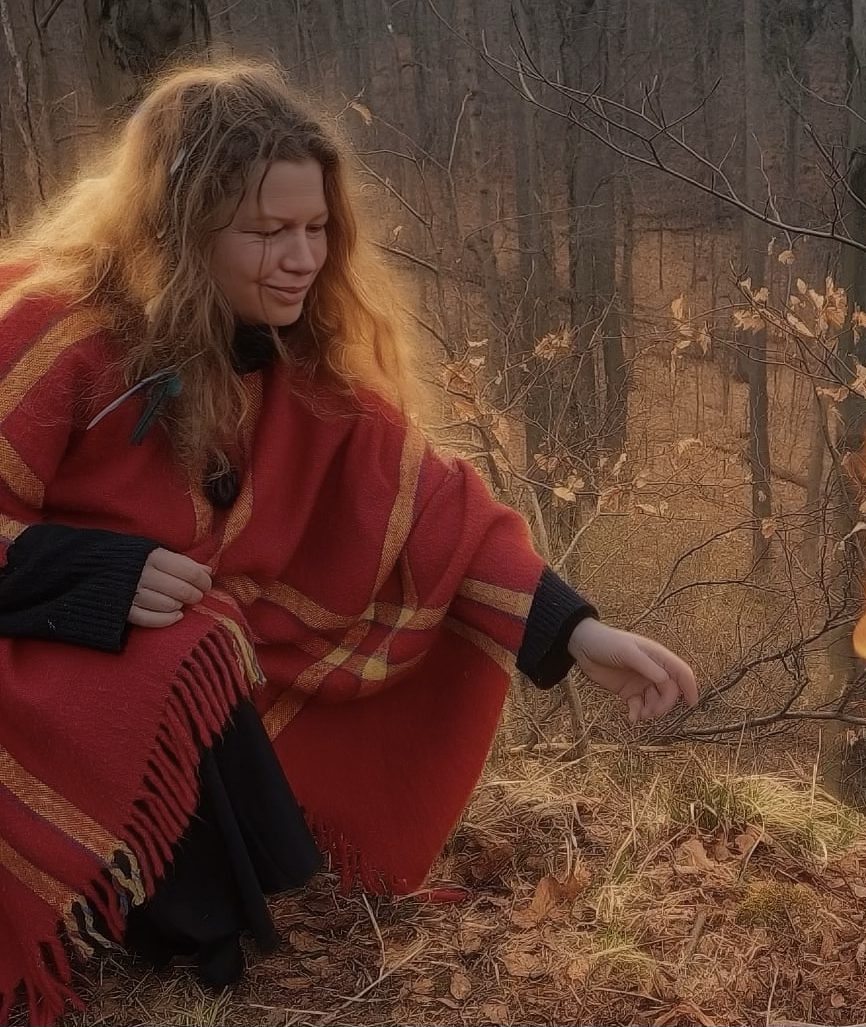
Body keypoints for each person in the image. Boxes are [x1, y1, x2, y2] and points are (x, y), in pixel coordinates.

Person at [0, 59, 697, 1024]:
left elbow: (435, 512)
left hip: (172, 666)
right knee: (191, 641)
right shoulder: (53, 329)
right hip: (29, 661)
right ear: (183, 228)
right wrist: (94, 577)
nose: (302, 258)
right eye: (267, 232)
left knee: (201, 635)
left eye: (316, 228)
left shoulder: (294, 356)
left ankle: (220, 906)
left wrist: (580, 635)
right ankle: (128, 914)